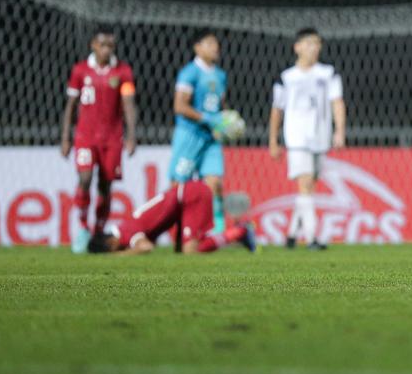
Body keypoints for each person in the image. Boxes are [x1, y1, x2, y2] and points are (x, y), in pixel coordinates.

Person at [60, 27, 137, 253]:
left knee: (105, 185)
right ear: (93, 45)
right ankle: (83, 229)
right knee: (84, 179)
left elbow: (129, 104)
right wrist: (66, 138)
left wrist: (131, 136)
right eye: (102, 45)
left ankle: (98, 231)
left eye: (110, 45)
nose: (106, 49)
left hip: (112, 138)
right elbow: (71, 106)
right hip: (85, 136)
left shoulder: (122, 71)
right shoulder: (80, 70)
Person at [268, 28, 346, 250]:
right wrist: (273, 140)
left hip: (320, 137)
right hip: (296, 137)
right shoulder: (286, 77)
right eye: (310, 43)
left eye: (317, 44)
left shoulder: (328, 73)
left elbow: (337, 101)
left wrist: (339, 130)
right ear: (298, 47)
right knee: (305, 184)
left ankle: (292, 234)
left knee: (309, 186)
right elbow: (277, 109)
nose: (314, 48)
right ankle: (311, 238)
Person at [88, 180, 255, 254]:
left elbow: (145, 247)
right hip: (186, 200)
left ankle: (239, 232)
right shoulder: (126, 227)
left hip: (190, 197)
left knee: (191, 251)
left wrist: (120, 256)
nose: (120, 250)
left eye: (113, 250)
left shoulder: (127, 231)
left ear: (110, 243)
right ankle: (237, 233)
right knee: (182, 251)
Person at [169, 29, 229, 234]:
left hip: (211, 138)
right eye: (210, 43)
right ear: (197, 47)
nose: (215, 48)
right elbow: (179, 106)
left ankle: (215, 229)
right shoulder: (189, 73)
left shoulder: (221, 75)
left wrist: (226, 121)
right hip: (190, 135)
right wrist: (207, 118)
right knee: (179, 184)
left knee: (215, 183)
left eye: (216, 43)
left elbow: (221, 105)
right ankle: (177, 229)